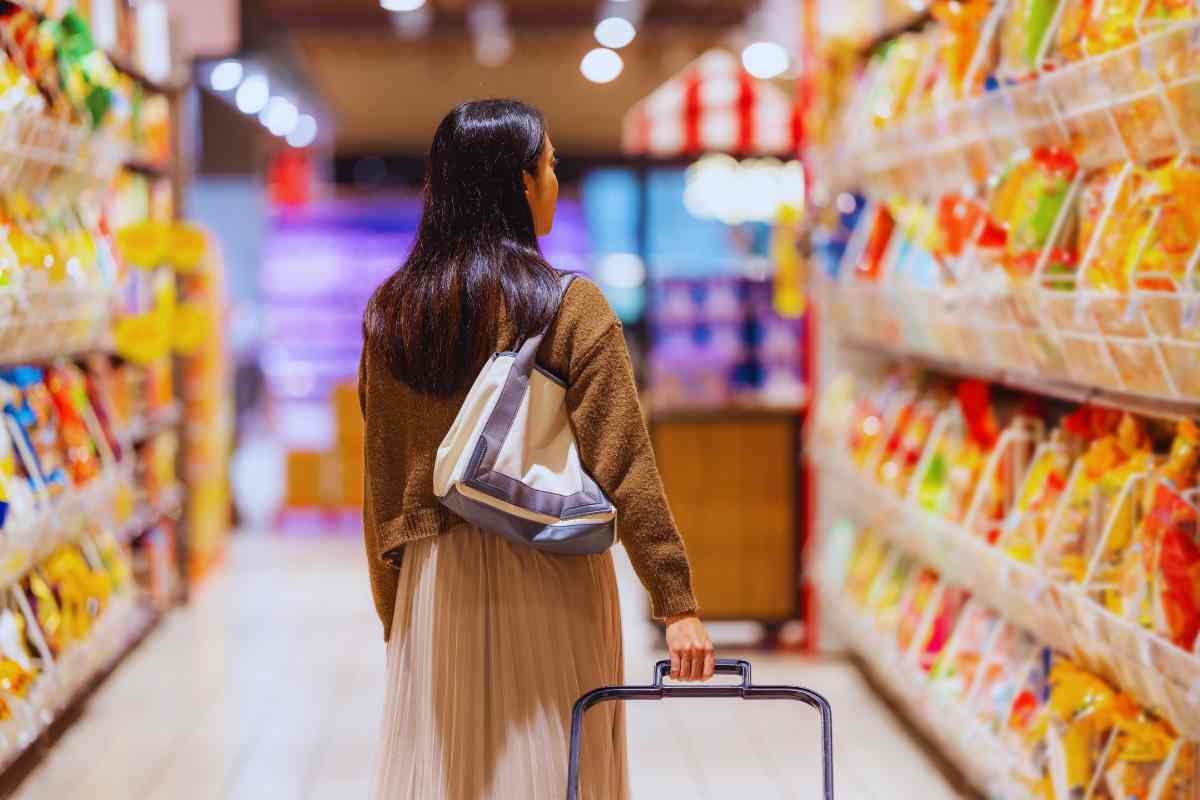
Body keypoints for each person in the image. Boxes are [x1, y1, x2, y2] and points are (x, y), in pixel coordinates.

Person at [359, 98, 713, 800]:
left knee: (452, 771)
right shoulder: (569, 306)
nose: (555, 181)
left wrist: (395, 606)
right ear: (520, 184)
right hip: (552, 564)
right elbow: (625, 463)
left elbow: (383, 479)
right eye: (549, 166)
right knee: (558, 764)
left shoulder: (393, 313)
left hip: (440, 580)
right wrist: (677, 602)